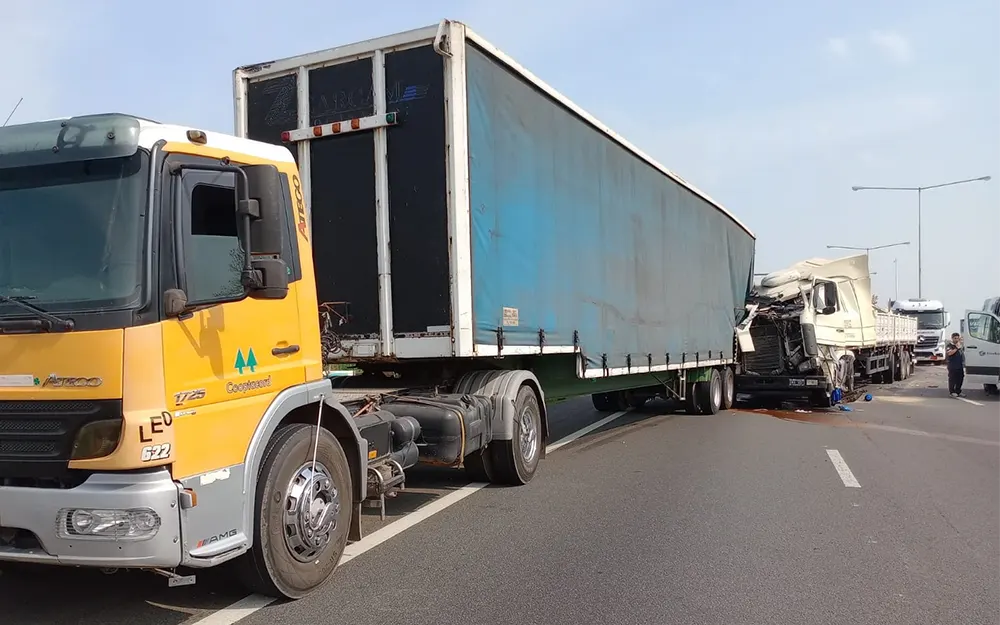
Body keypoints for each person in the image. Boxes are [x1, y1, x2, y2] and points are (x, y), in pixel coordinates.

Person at [946, 332, 965, 397]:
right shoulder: (949, 345)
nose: (956, 340)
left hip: (959, 365)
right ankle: (952, 392)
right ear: (952, 338)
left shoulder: (960, 345)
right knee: (952, 379)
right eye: (955, 338)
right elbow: (949, 353)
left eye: (957, 338)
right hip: (952, 365)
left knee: (960, 378)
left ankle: (958, 391)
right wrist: (956, 348)